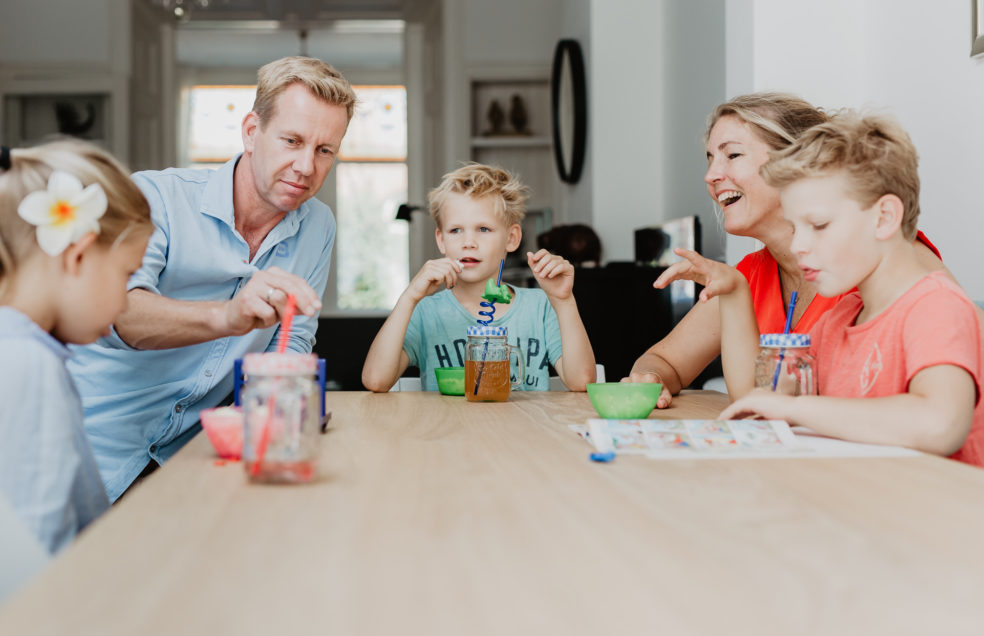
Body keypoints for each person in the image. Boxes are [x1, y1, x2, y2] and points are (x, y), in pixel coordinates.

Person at [68, 56, 357, 501]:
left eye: (324, 150)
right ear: (251, 132)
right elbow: (121, 313)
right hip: (94, 455)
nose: (306, 166)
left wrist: (276, 407)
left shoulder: (318, 225)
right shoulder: (156, 197)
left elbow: (294, 337)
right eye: (292, 140)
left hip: (199, 458)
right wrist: (230, 316)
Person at [657, 113, 983, 465]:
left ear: (885, 217)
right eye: (796, 228)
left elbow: (939, 424)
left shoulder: (935, 306)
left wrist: (796, 407)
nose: (798, 246)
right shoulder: (839, 321)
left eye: (819, 225)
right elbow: (763, 400)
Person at [625, 93, 951, 408]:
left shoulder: (884, 261)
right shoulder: (748, 276)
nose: (710, 176)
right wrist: (652, 377)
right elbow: (755, 395)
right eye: (710, 159)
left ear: (796, 162)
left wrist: (799, 410)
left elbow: (942, 403)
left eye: (733, 155)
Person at [0, 141, 154, 552]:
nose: (124, 302)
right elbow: (29, 563)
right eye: (127, 274)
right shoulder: (20, 365)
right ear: (77, 256)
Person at [361, 163, 596, 392]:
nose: (468, 243)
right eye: (455, 230)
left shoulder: (540, 306)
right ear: (441, 240)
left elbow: (582, 381)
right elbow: (375, 379)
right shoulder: (426, 312)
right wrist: (409, 297)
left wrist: (564, 301)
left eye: (483, 229)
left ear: (512, 238)